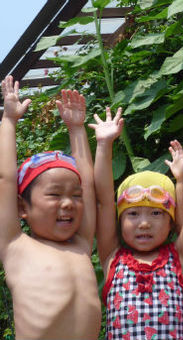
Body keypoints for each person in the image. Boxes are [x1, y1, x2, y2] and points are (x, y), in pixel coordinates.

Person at [91, 109, 183, 339]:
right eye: (132, 215)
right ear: (119, 222)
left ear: (171, 223)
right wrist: (104, 144)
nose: (144, 224)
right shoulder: (112, 258)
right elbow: (102, 201)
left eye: (155, 214)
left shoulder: (178, 258)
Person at [0, 76, 101, 339]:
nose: (68, 203)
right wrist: (9, 121)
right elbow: (5, 179)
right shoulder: (15, 246)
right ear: (22, 207)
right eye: (55, 194)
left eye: (74, 196)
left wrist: (77, 129)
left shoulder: (80, 244)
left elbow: (88, 186)